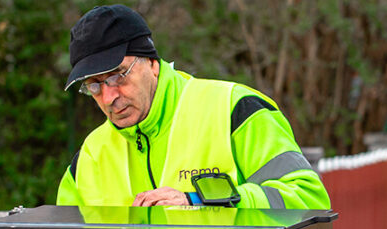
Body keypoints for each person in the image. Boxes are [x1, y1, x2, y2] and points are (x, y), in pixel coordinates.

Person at [56, 4, 330, 210]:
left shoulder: (236, 110)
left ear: (152, 63)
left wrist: (200, 201)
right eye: (94, 85)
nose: (108, 97)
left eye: (118, 75)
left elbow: (308, 199)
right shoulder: (91, 155)